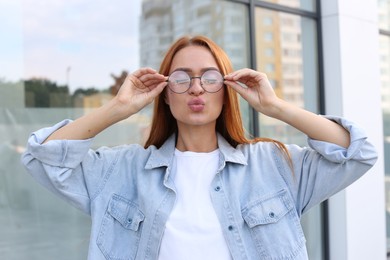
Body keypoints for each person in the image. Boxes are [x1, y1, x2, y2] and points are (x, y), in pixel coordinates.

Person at [22, 35, 377, 260]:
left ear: (227, 89)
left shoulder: (275, 165)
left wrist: (275, 107)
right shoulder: (121, 170)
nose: (195, 89)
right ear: (164, 91)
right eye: (180, 78)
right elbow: (43, 159)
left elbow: (358, 153)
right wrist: (119, 108)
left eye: (209, 78)